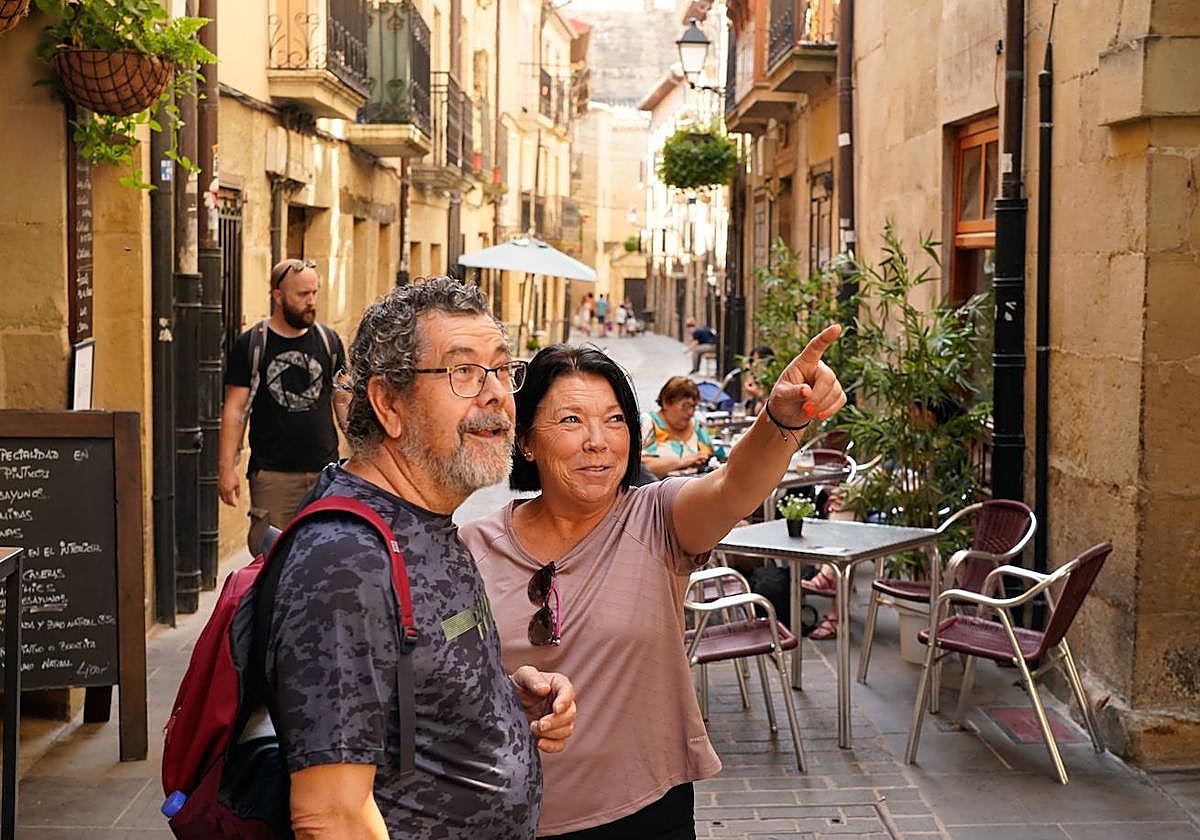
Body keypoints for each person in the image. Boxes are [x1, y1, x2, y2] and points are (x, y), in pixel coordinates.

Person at [461, 326, 846, 838]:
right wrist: (510, 692)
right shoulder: (471, 547)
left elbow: (733, 485)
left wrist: (781, 419)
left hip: (646, 810)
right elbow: (444, 684)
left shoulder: (658, 518)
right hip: (510, 816)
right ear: (526, 440)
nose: (598, 441)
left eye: (615, 420)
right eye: (571, 420)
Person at [267, 277, 577, 839]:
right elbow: (329, 815)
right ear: (389, 404)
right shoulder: (345, 560)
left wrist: (498, 701)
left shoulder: (424, 518)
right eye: (463, 371)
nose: (496, 394)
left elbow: (401, 686)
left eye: (501, 369)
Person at [218, 258, 346, 554]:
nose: (311, 301)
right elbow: (235, 410)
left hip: (325, 474)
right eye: (302, 294)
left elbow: (344, 400)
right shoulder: (252, 344)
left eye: (314, 292)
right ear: (278, 296)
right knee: (270, 559)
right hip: (273, 478)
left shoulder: (329, 341)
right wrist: (226, 469)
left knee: (325, 559)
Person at [640, 376, 718, 479]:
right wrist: (683, 462)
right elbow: (639, 467)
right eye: (685, 406)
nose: (690, 412)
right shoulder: (648, 423)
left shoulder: (697, 426)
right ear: (666, 403)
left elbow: (712, 456)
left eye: (693, 406)